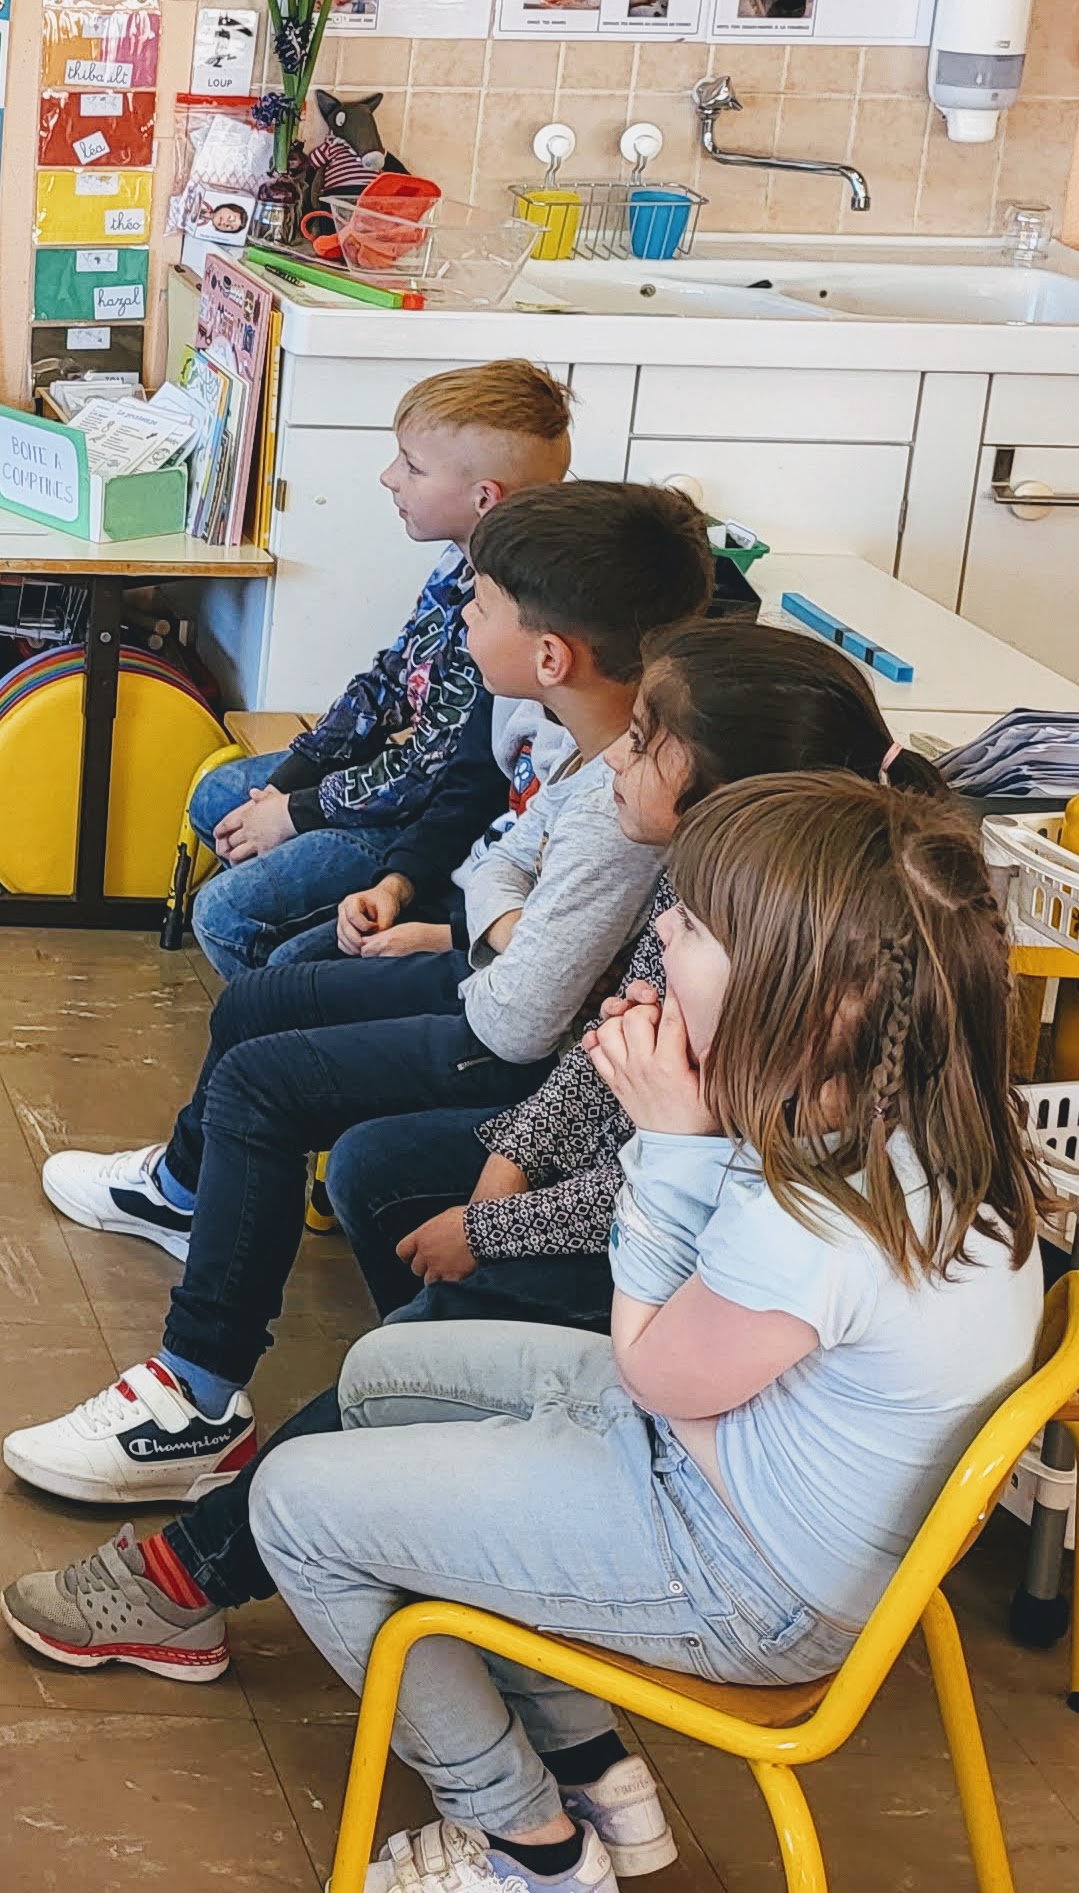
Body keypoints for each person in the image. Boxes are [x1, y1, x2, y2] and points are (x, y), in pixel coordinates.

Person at [4, 623, 938, 1702]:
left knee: (437, 1320)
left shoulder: (783, 970)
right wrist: (511, 1157)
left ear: (718, 780)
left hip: (700, 1413)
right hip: (660, 1256)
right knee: (374, 1182)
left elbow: (661, 1199)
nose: (615, 764)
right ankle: (417, 1477)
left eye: (641, 742)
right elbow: (610, 1051)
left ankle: (218, 1558)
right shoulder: (730, 900)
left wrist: (490, 1228)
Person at [254, 775, 1055, 1893]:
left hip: (739, 1573)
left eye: (685, 926)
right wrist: (681, 1132)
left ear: (804, 1000)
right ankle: (596, 1777)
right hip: (735, 1470)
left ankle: (524, 1842)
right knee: (383, 1374)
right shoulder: (898, 1117)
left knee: (292, 1503)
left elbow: (652, 1369)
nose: (659, 937)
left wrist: (667, 1141)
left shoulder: (822, 1222)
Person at [17, 481, 711, 1506]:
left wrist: (494, 931)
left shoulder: (617, 796)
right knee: (262, 1001)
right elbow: (493, 873)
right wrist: (491, 925)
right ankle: (182, 1194)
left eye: (476, 606)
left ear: (551, 653)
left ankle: (197, 1395)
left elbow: (520, 1017)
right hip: (493, 985)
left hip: (505, 1034)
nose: (462, 620)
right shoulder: (573, 736)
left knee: (261, 1081)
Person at [188, 360, 570, 977]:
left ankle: (298, 983)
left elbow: (435, 770)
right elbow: (390, 680)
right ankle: (316, 913)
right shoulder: (457, 560)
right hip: (397, 787)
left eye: (413, 467)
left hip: (429, 821)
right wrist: (293, 780)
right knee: (218, 799)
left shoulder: (512, 618)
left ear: (484, 499)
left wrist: (297, 812)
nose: (389, 477)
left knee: (226, 914)